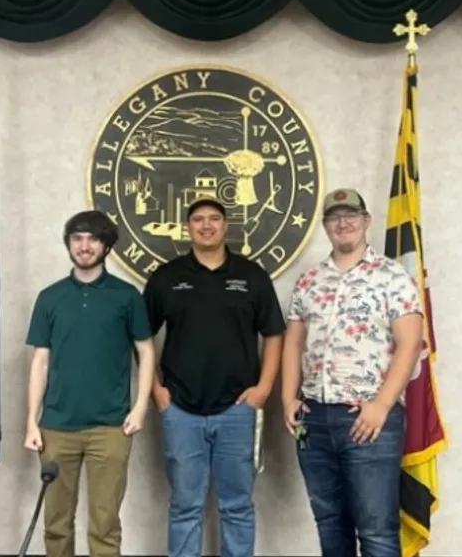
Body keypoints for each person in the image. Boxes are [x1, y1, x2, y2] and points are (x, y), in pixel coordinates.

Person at [281, 188, 424, 557]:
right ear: (325, 226)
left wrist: (381, 405)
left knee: (376, 530)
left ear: (366, 222)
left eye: (351, 216)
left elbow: (409, 345)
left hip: (368, 418)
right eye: (334, 217)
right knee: (330, 524)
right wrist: (287, 398)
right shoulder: (309, 281)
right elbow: (294, 342)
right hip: (314, 419)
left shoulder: (393, 277)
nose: (343, 223)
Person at [142, 196, 286, 557]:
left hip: (238, 409)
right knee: (185, 505)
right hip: (180, 410)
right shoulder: (167, 277)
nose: (206, 225)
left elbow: (274, 334)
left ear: (225, 225)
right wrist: (155, 390)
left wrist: (263, 389)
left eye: (214, 219)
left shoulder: (251, 276)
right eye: (198, 220)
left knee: (236, 506)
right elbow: (140, 337)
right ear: (188, 228)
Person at [24, 210, 156, 557]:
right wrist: (31, 421)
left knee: (105, 525)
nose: (84, 246)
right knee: (56, 524)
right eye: (77, 239)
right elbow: (40, 361)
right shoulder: (50, 297)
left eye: (93, 239)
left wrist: (140, 407)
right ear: (69, 244)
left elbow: (146, 351)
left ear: (106, 245)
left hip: (111, 428)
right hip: (56, 427)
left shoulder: (127, 297)